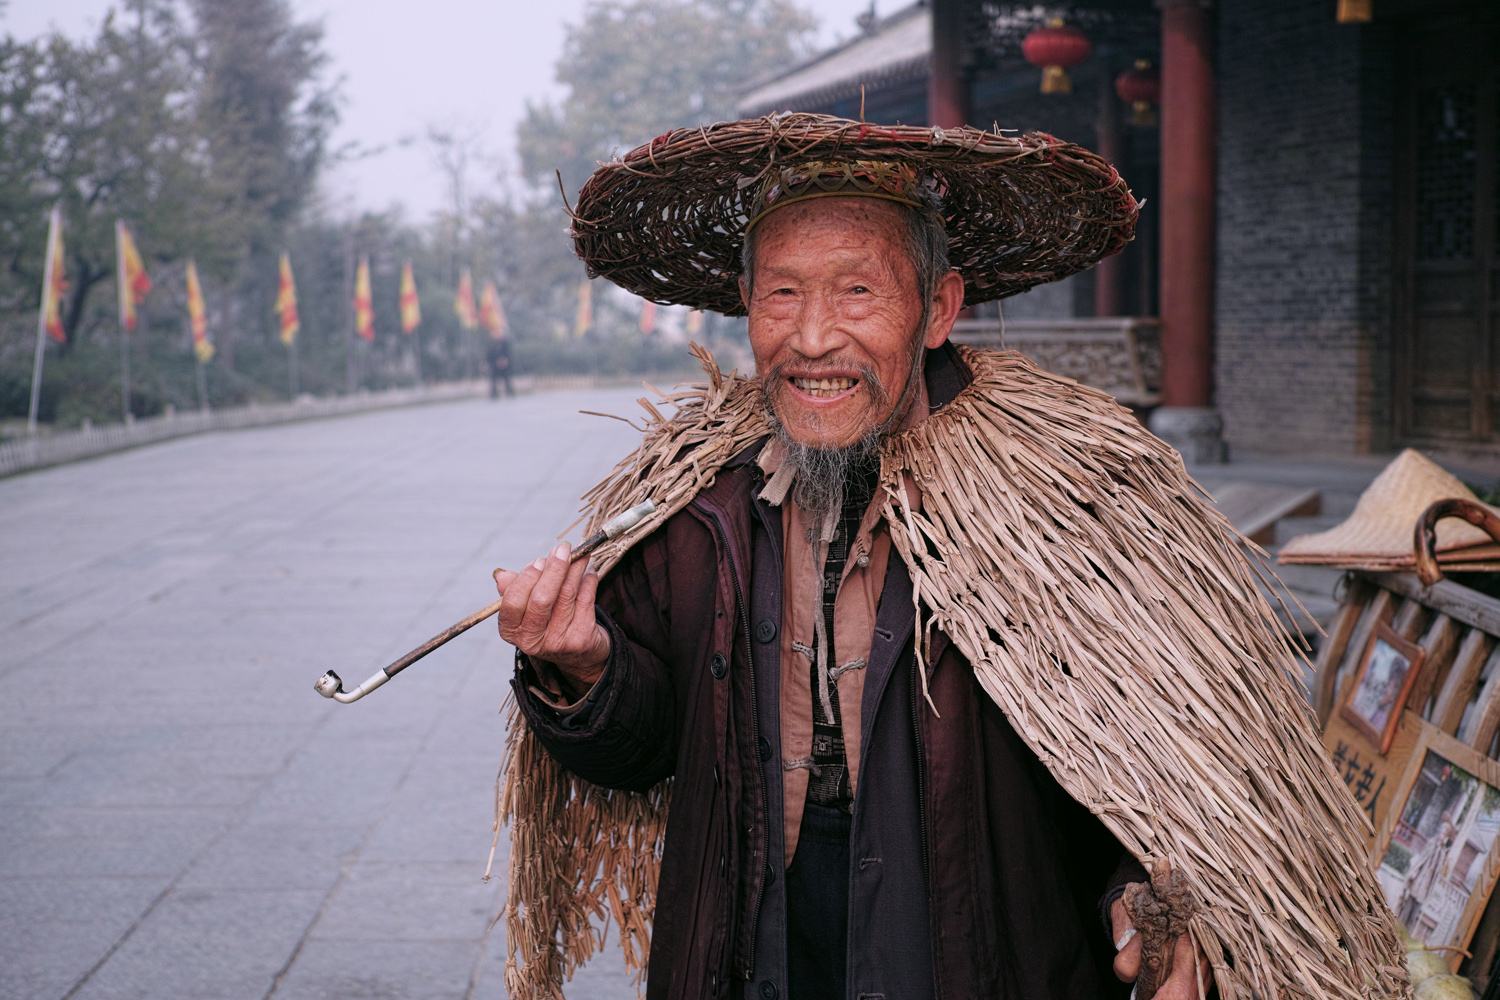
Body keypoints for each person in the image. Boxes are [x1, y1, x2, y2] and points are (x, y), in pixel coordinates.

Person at [490, 115, 1406, 1000]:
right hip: (756, 951)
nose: (813, 338)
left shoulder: (1062, 497)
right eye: (782, 292)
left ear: (938, 309)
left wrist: (1156, 896)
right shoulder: (699, 501)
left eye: (856, 291)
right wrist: (587, 669)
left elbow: (1167, 763)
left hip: (980, 954)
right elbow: (645, 748)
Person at [486, 334, 514, 399]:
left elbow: (508, 354)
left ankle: (509, 392)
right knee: (493, 380)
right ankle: (494, 394)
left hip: (504, 365)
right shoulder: (491, 345)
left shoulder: (505, 344)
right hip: (494, 365)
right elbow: (488, 356)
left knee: (507, 379)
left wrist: (505, 360)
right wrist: (491, 363)